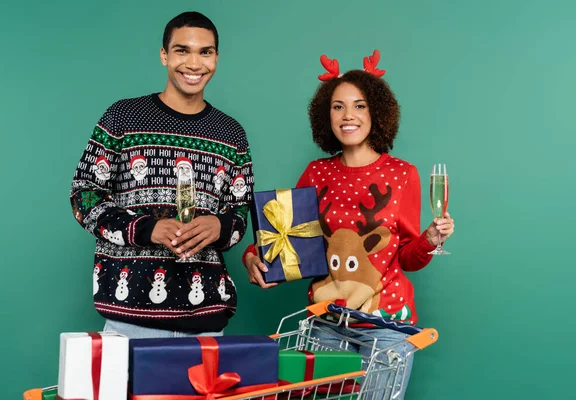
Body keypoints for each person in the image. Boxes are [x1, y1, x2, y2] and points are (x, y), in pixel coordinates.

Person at [242, 50, 455, 399]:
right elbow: (286, 234)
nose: (348, 115)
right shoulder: (316, 172)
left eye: (359, 105)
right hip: (325, 325)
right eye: (338, 106)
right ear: (327, 116)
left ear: (377, 113)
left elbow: (407, 259)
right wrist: (253, 256)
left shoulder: (403, 174)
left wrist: (430, 239)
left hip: (385, 328)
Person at [70, 11, 254, 339]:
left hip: (206, 323)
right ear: (164, 55)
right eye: (182, 50)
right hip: (129, 317)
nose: (194, 64)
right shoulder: (123, 117)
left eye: (205, 52)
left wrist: (219, 226)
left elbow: (239, 213)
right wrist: (147, 229)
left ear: (216, 58)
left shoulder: (232, 134)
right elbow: (84, 196)